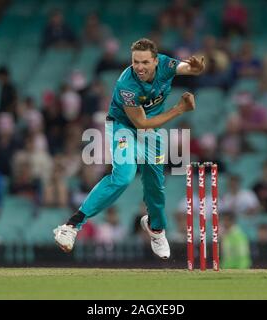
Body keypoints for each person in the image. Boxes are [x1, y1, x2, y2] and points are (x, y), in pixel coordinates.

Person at [53, 38, 205, 259]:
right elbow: (141, 123)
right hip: (123, 127)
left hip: (151, 131)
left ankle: (156, 229)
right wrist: (179, 109)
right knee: (124, 176)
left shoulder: (166, 64)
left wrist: (195, 69)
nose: (140, 67)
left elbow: (185, 67)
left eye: (145, 62)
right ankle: (71, 226)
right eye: (136, 61)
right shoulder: (127, 84)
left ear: (155, 61)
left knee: (155, 183)